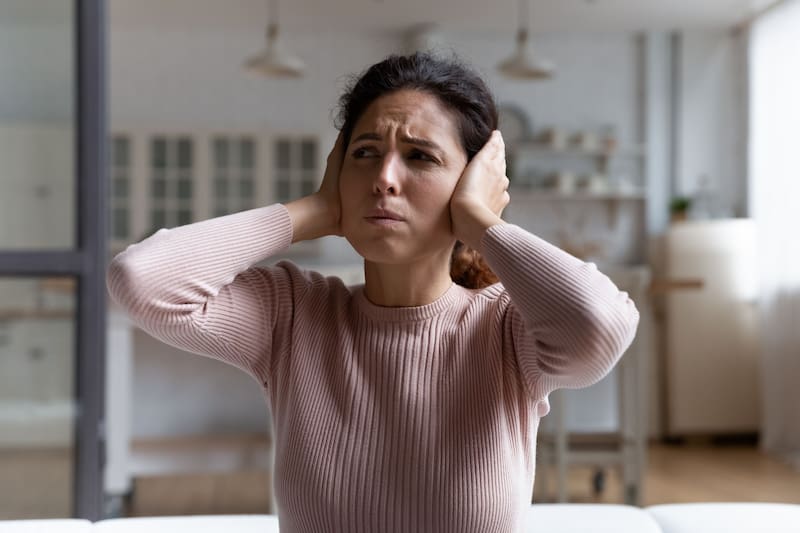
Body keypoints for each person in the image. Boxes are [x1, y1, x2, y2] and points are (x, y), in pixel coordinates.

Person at [106, 52, 639, 533]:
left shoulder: (506, 330)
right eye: (364, 152)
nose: (384, 176)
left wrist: (479, 222)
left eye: (420, 156)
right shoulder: (294, 314)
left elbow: (600, 328)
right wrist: (314, 210)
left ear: (471, 184)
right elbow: (141, 280)